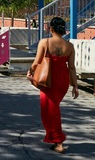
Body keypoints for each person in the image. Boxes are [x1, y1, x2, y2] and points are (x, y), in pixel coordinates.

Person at [26, 16, 79, 154]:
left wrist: (30, 72)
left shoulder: (45, 42)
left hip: (48, 81)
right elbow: (72, 68)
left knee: (50, 110)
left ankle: (58, 141)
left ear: (51, 28)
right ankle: (54, 137)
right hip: (62, 82)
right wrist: (75, 86)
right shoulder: (70, 46)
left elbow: (37, 62)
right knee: (52, 108)